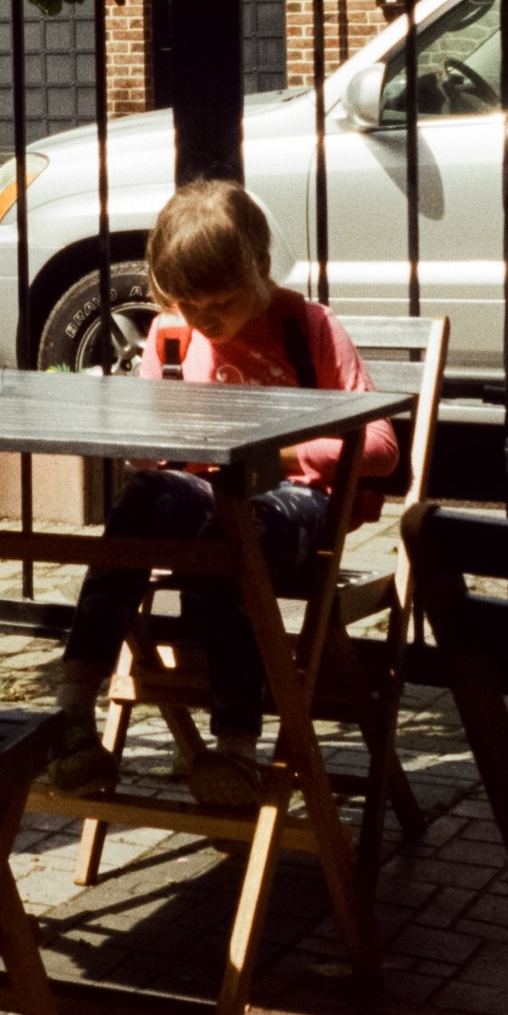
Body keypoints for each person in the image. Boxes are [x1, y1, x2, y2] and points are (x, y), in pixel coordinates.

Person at [50, 179, 399, 813]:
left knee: (229, 537)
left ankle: (236, 747)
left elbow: (379, 446)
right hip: (211, 495)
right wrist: (147, 438)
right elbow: (157, 453)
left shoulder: (307, 327)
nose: (205, 317)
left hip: (296, 503)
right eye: (187, 301)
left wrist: (279, 453)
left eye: (222, 301)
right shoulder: (173, 337)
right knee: (142, 503)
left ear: (261, 269)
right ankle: (73, 706)